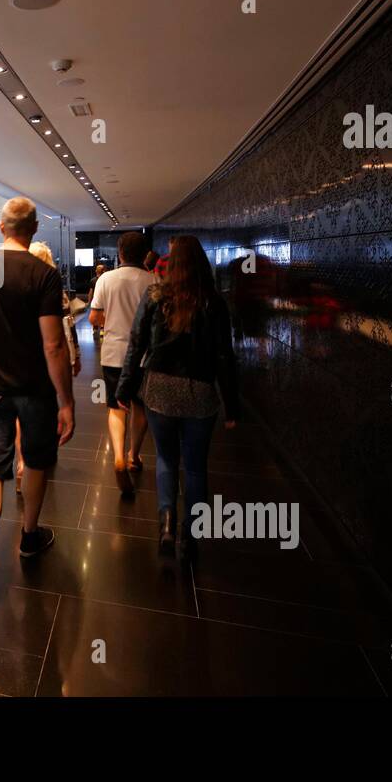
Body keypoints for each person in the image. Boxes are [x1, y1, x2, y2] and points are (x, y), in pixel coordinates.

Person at [0, 198, 75, 609]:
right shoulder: (43, 275)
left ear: (0, 227)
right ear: (35, 228)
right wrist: (66, 400)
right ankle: (28, 536)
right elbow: (53, 343)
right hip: (36, 390)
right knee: (38, 461)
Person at [117, 235, 239, 561]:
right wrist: (231, 405)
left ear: (172, 264)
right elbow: (225, 357)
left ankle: (167, 524)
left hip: (159, 390)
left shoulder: (155, 295)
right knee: (196, 468)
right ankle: (191, 534)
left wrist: (124, 390)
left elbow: (136, 344)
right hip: (199, 392)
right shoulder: (214, 301)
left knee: (166, 460)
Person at [12, 241, 80, 496]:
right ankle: (39, 458)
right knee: (48, 407)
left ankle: (21, 461)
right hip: (48, 361)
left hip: (21, 360)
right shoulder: (54, 290)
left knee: (20, 413)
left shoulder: (15, 290)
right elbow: (66, 328)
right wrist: (76, 357)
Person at [89, 231, 153, 495]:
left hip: (114, 353)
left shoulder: (106, 279)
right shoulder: (154, 280)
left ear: (121, 253)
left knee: (116, 407)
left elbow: (94, 317)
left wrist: (112, 321)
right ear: (146, 254)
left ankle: (117, 456)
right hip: (145, 356)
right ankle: (133, 456)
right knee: (140, 407)